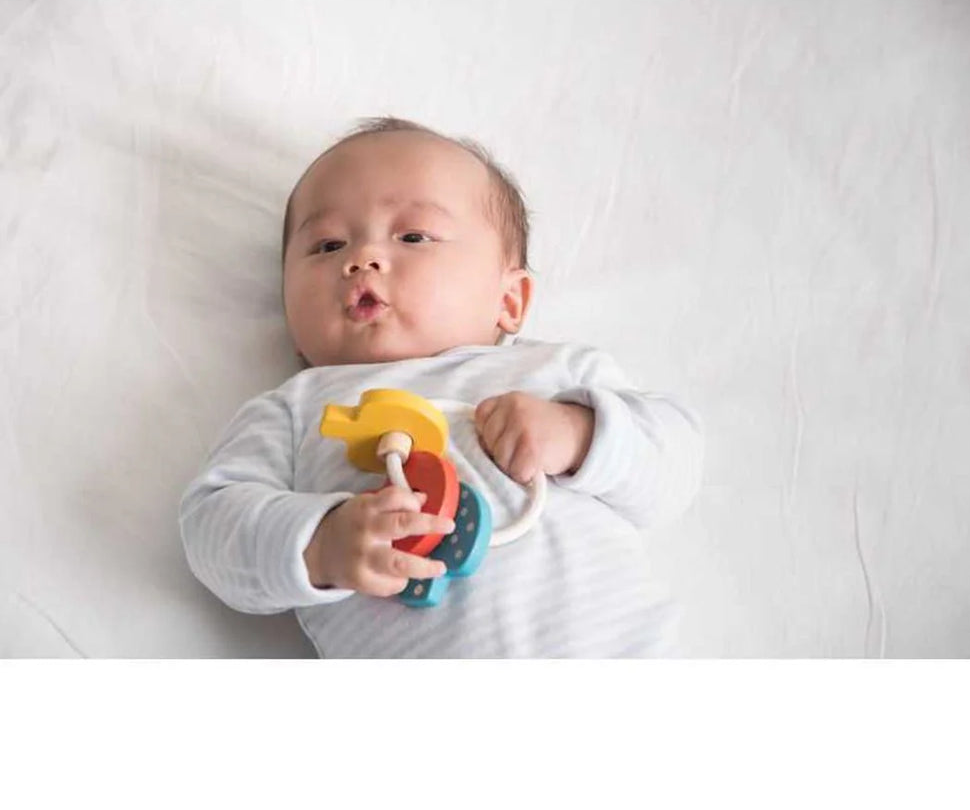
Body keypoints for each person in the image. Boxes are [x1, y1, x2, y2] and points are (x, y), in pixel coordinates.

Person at [179, 117, 704, 657]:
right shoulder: (296, 409)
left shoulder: (556, 372)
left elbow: (676, 465)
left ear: (509, 300)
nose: (361, 259)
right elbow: (211, 527)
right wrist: (320, 543)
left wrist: (578, 433)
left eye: (413, 237)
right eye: (328, 245)